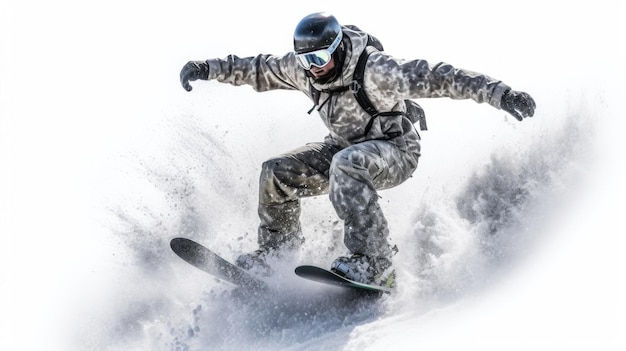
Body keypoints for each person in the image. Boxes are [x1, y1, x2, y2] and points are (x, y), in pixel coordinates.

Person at [179, 12, 535, 287]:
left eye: (318, 59)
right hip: (342, 150)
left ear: (336, 49)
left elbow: (443, 77)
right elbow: (257, 68)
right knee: (276, 172)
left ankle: (375, 263)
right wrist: (207, 68)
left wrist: (501, 93)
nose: (312, 69)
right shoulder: (304, 70)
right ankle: (276, 253)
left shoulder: (376, 70)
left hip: (395, 151)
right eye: (305, 61)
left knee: (347, 164)